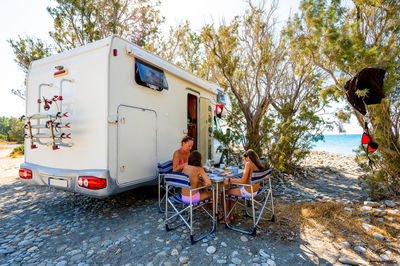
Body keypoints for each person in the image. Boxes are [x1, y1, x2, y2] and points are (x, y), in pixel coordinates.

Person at [221, 149, 264, 223]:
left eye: (244, 158)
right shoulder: (257, 164)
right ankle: (230, 216)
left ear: (248, 158)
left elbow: (242, 181)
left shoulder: (249, 164)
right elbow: (246, 179)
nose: (243, 160)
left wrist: (229, 180)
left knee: (223, 193)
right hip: (254, 191)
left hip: (248, 192)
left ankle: (226, 218)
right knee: (231, 192)